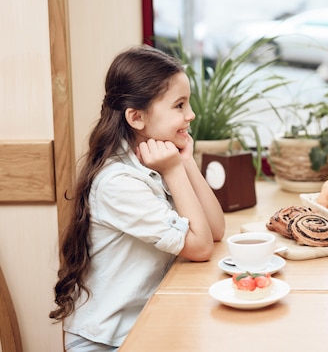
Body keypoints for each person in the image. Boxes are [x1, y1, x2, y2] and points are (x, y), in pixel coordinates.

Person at [49, 45, 226, 351]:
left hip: (142, 324)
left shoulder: (157, 158)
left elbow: (216, 230)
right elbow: (200, 247)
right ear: (136, 117)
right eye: (179, 105)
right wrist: (174, 170)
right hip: (106, 341)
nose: (191, 114)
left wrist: (186, 163)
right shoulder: (118, 182)